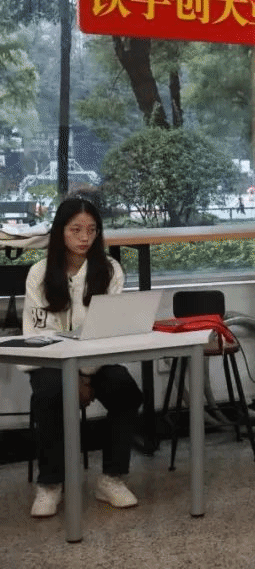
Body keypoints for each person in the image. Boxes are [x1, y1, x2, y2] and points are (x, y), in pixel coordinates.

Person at [22, 197, 143, 518]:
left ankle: (112, 478)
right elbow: (39, 335)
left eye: (91, 230)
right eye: (75, 230)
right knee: (50, 393)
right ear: (60, 231)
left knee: (126, 391)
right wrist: (72, 376)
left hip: (96, 358)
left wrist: (85, 374)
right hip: (51, 360)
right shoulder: (39, 273)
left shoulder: (110, 270)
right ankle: (50, 484)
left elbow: (108, 330)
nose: (84, 237)